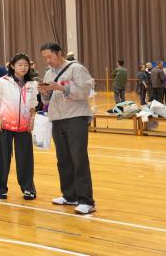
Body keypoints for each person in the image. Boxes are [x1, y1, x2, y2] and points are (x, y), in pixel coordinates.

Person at [39, 42, 96, 215]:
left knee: (79, 158)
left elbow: (85, 92)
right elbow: (47, 101)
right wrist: (45, 93)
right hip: (57, 119)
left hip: (75, 117)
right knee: (63, 159)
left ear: (59, 53)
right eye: (45, 58)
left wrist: (61, 87)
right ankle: (69, 195)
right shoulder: (49, 72)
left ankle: (86, 200)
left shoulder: (76, 69)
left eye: (50, 56)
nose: (48, 61)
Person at [0, 53, 38, 200]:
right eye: (20, 65)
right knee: (3, 159)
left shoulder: (32, 84)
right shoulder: (3, 81)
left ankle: (28, 188)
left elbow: (33, 104)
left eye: (26, 65)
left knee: (25, 159)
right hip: (4, 125)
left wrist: (32, 119)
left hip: (24, 126)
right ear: (12, 66)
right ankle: (1, 189)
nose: (23, 68)